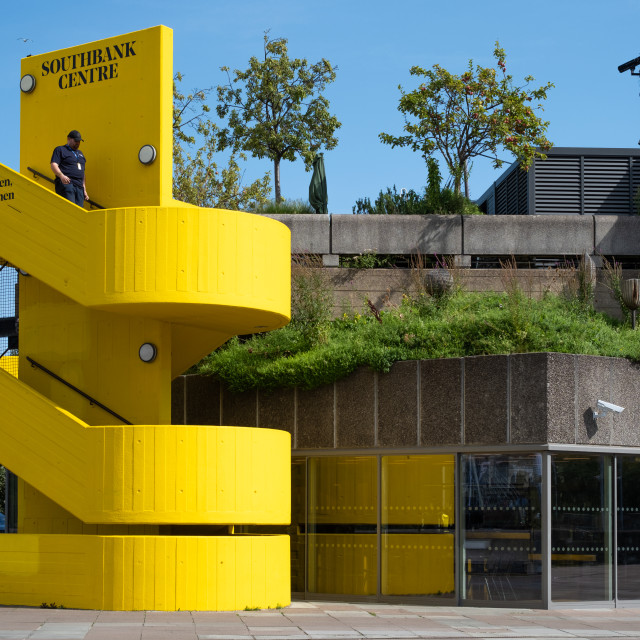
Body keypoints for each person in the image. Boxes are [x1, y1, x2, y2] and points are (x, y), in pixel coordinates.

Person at [50, 130, 89, 206]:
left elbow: (82, 173)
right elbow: (54, 164)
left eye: (79, 141)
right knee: (70, 208)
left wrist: (84, 189)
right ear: (68, 139)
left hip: (79, 187)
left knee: (78, 211)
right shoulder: (60, 149)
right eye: (76, 141)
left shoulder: (80, 153)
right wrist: (61, 176)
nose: (77, 143)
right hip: (67, 183)